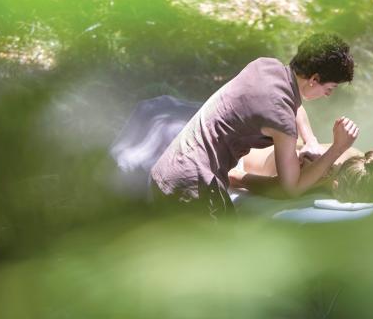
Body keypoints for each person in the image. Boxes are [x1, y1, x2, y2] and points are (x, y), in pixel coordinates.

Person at [149, 33, 358, 216]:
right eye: (329, 88)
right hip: (193, 188)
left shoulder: (266, 66)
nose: (327, 95)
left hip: (167, 170)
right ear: (314, 79)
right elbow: (291, 188)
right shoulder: (281, 119)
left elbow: (292, 106)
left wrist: (310, 140)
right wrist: (338, 148)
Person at [229, 143, 373, 203]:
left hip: (266, 142)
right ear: (336, 186)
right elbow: (236, 178)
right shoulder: (312, 178)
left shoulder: (355, 155)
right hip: (240, 155)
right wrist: (235, 176)